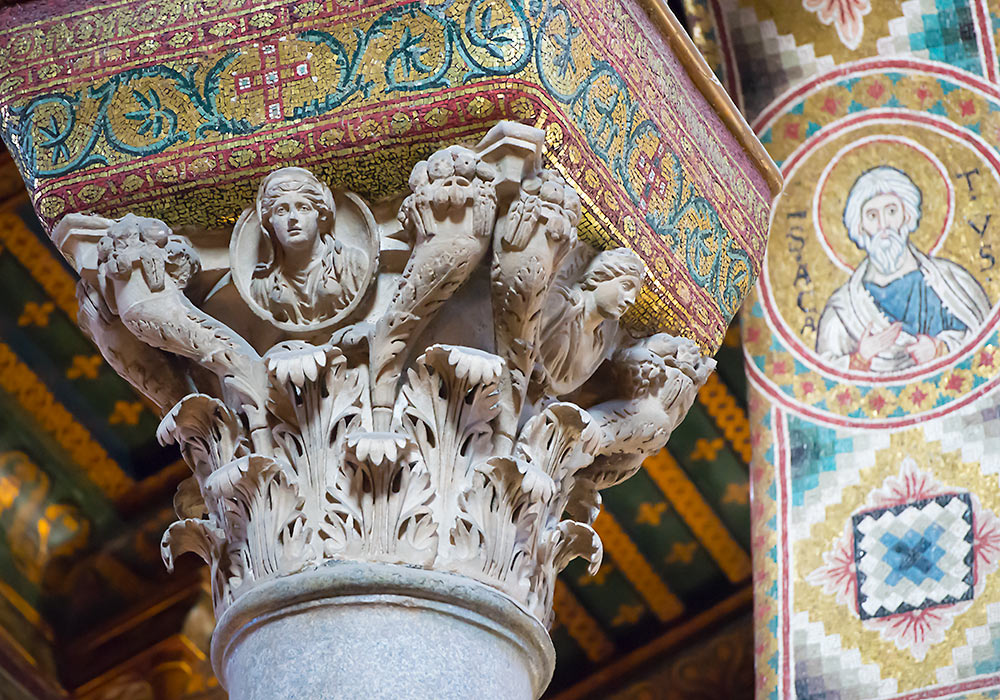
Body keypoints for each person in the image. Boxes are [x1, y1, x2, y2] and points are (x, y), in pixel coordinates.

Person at [815, 166, 990, 371]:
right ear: (860, 227)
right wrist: (860, 359)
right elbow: (821, 375)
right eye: (872, 216)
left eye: (891, 211)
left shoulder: (951, 281)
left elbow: (986, 341)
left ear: (907, 216)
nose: (883, 226)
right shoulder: (844, 307)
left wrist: (941, 348)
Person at [249, 168, 367, 325]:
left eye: (303, 208)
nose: (293, 218)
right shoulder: (262, 285)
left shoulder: (351, 264)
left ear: (320, 214)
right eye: (281, 210)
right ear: (270, 220)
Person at [538, 248, 644, 394]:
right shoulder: (558, 305)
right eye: (626, 286)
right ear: (600, 276)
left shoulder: (599, 343)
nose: (630, 300)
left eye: (635, 294)